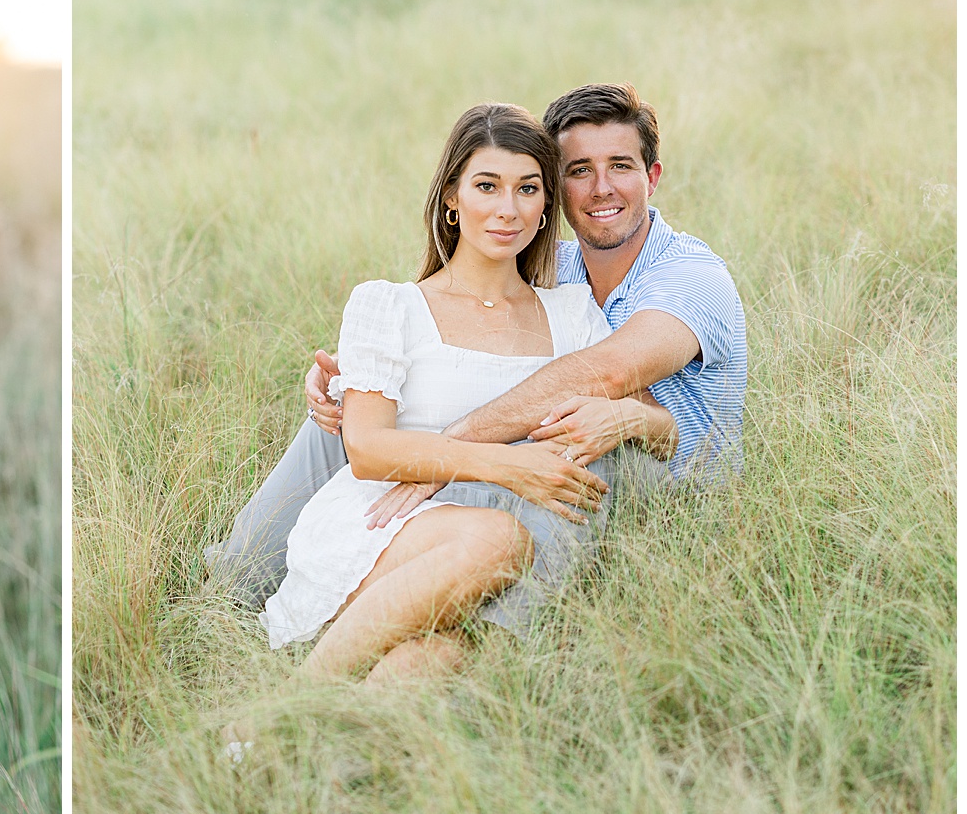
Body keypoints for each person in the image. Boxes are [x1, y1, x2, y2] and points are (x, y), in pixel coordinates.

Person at [212, 84, 747, 645]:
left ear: (652, 177)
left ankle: (491, 643)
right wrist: (360, 371)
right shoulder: (557, 265)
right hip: (546, 446)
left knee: (565, 446)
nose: (602, 188)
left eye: (620, 166)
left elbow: (606, 375)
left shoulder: (690, 275)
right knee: (348, 419)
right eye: (580, 170)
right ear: (558, 191)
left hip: (673, 482)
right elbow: (472, 343)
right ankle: (236, 583)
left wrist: (446, 452)